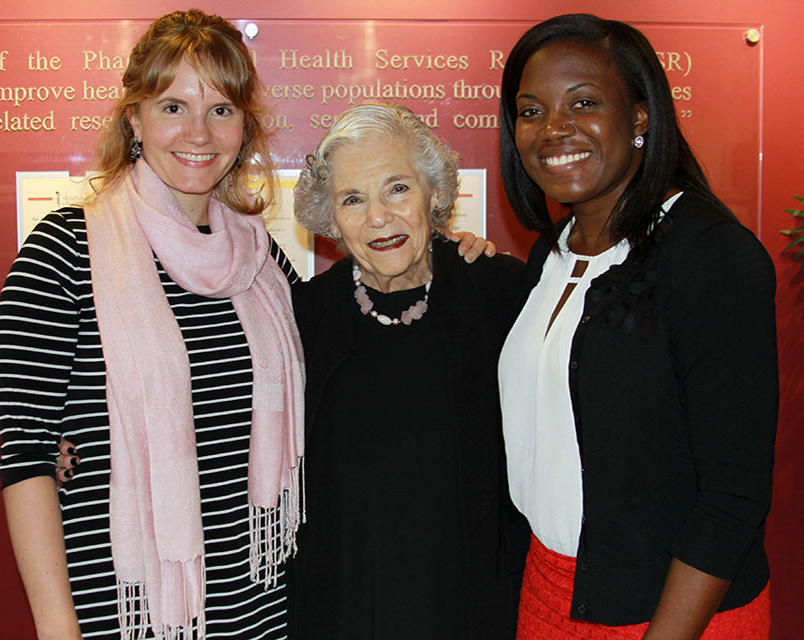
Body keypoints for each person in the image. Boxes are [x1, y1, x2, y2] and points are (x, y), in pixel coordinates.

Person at [0, 11, 306, 639]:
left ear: (244, 126)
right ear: (134, 118)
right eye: (172, 107)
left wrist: (446, 261)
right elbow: (26, 457)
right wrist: (58, 628)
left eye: (221, 108)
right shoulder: (64, 250)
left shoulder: (263, 260)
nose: (199, 131)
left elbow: (352, 361)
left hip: (267, 608)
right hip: (128, 612)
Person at [497, 14, 777, 640]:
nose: (554, 129)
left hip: (675, 612)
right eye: (531, 110)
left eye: (585, 102)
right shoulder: (552, 253)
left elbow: (733, 496)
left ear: (642, 115)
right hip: (548, 589)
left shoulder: (710, 257)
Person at [288, 103, 527, 639]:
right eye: (353, 199)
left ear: (435, 193)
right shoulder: (304, 317)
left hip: (471, 602)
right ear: (330, 218)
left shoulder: (501, 295)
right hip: (343, 602)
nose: (378, 216)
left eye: (397, 188)